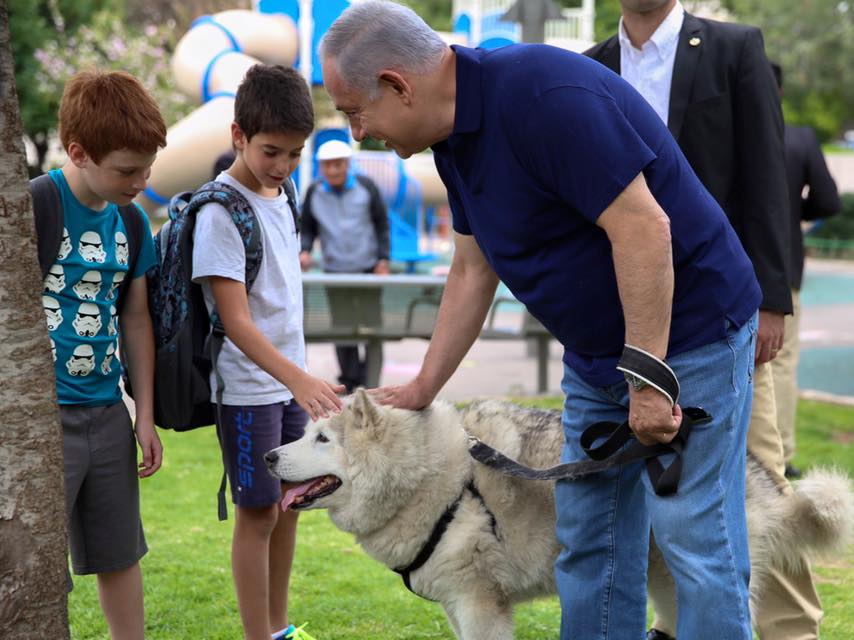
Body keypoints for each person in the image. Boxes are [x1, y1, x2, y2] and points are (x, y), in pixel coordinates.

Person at [322, 2, 762, 638]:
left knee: (694, 542)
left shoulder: (542, 96)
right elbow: (473, 271)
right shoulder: (451, 142)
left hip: (689, 339)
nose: (357, 133)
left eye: (353, 110)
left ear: (398, 85)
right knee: (588, 541)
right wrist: (424, 386)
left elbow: (644, 230)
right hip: (596, 359)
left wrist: (647, 380)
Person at [584, 3, 819, 638]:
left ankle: (791, 628)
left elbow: (768, 179)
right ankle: (676, 622)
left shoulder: (734, 48)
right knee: (655, 481)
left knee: (760, 476)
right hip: (634, 323)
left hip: (725, 313)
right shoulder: (592, 65)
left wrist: (772, 300)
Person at [191, 64, 344, 640]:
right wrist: (301, 380)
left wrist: (298, 381)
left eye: (294, 154)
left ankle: (279, 629)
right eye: (270, 151)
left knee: (289, 506)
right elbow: (236, 323)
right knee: (256, 514)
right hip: (248, 390)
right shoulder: (219, 212)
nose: (281, 166)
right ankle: (259, 635)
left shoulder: (284, 193)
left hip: (286, 385)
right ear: (238, 136)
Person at [35, 69, 165, 640]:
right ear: (79, 152)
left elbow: (134, 317)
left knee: (119, 552)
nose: (140, 182)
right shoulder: (37, 204)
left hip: (107, 414)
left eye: (147, 168)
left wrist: (146, 416)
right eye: (127, 170)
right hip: (41, 421)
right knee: (36, 561)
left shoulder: (133, 221)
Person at [771, 62, 842, 478]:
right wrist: (797, 212)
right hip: (782, 265)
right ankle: (780, 454)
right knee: (780, 361)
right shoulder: (798, 139)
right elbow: (829, 202)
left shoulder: (719, 137)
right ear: (778, 92)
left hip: (718, 270)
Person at [299, 139, 390, 392]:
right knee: (342, 329)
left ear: (348, 164)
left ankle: (370, 381)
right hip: (335, 272)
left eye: (338, 164)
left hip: (368, 269)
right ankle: (350, 382)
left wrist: (383, 259)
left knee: (373, 328)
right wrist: (305, 249)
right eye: (327, 166)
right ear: (321, 167)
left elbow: (381, 225)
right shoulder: (315, 191)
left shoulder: (366, 187)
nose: (333, 171)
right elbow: (307, 227)